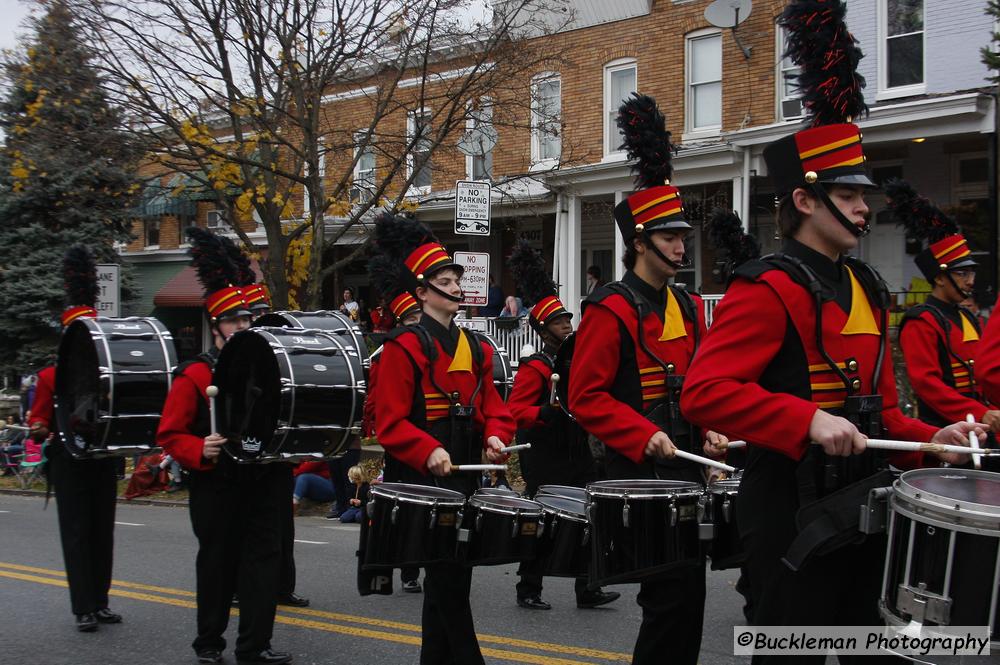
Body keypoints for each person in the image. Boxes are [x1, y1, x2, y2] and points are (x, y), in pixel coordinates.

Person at [680, 7, 981, 661]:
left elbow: (880, 408)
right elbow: (703, 393)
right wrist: (805, 420)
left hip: (866, 509)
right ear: (804, 201)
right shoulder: (767, 287)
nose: (863, 206)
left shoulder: (868, 284)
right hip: (789, 513)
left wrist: (929, 438)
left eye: (863, 194)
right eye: (846, 194)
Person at [567, 94, 726, 665]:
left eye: (683, 236)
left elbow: (700, 382)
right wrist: (641, 434)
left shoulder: (684, 302)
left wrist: (708, 429)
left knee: (689, 599)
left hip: (686, 464)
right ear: (639, 242)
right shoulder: (609, 307)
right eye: (670, 238)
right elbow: (583, 397)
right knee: (669, 600)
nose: (682, 246)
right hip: (640, 468)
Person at [373, 213, 515, 665]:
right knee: (449, 581)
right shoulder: (402, 346)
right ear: (422, 292)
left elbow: (495, 408)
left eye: (456, 279)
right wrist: (427, 449)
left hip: (464, 475)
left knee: (449, 581)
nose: (456, 287)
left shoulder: (476, 346)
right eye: (444, 280)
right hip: (421, 480)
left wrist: (495, 437)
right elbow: (390, 423)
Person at [157, 227, 292, 665]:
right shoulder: (195, 375)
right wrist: (200, 449)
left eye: (247, 320)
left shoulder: (271, 370)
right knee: (218, 561)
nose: (243, 327)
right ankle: (209, 642)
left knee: (264, 561)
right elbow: (170, 434)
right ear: (216, 327)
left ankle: (255, 645)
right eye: (234, 321)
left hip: (263, 476)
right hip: (217, 481)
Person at [505, 239, 620, 611]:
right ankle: (528, 587)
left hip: (577, 450)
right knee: (543, 521)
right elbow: (516, 411)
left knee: (591, 517)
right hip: (545, 453)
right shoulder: (535, 367)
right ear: (543, 328)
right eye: (559, 321)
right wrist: (545, 413)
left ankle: (588, 588)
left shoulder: (575, 364)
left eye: (568, 319)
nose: (567, 325)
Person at [28, 245, 122, 633]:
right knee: (78, 533)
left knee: (102, 532)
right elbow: (37, 421)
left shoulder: (108, 376)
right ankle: (82, 606)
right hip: (69, 461)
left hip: (99, 457)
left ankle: (100, 602)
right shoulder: (50, 377)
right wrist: (39, 428)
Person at [886, 180, 999, 439]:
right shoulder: (922, 320)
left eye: (971, 272)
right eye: (962, 273)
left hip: (984, 423)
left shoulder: (968, 316)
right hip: (948, 429)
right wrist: (978, 412)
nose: (970, 281)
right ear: (939, 277)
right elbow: (926, 384)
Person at [363, 251, 424, 592]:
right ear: (402, 320)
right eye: (413, 315)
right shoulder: (391, 351)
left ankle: (420, 564)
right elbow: (378, 401)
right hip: (403, 441)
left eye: (419, 312)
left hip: (430, 436)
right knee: (406, 506)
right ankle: (406, 570)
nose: (419, 318)